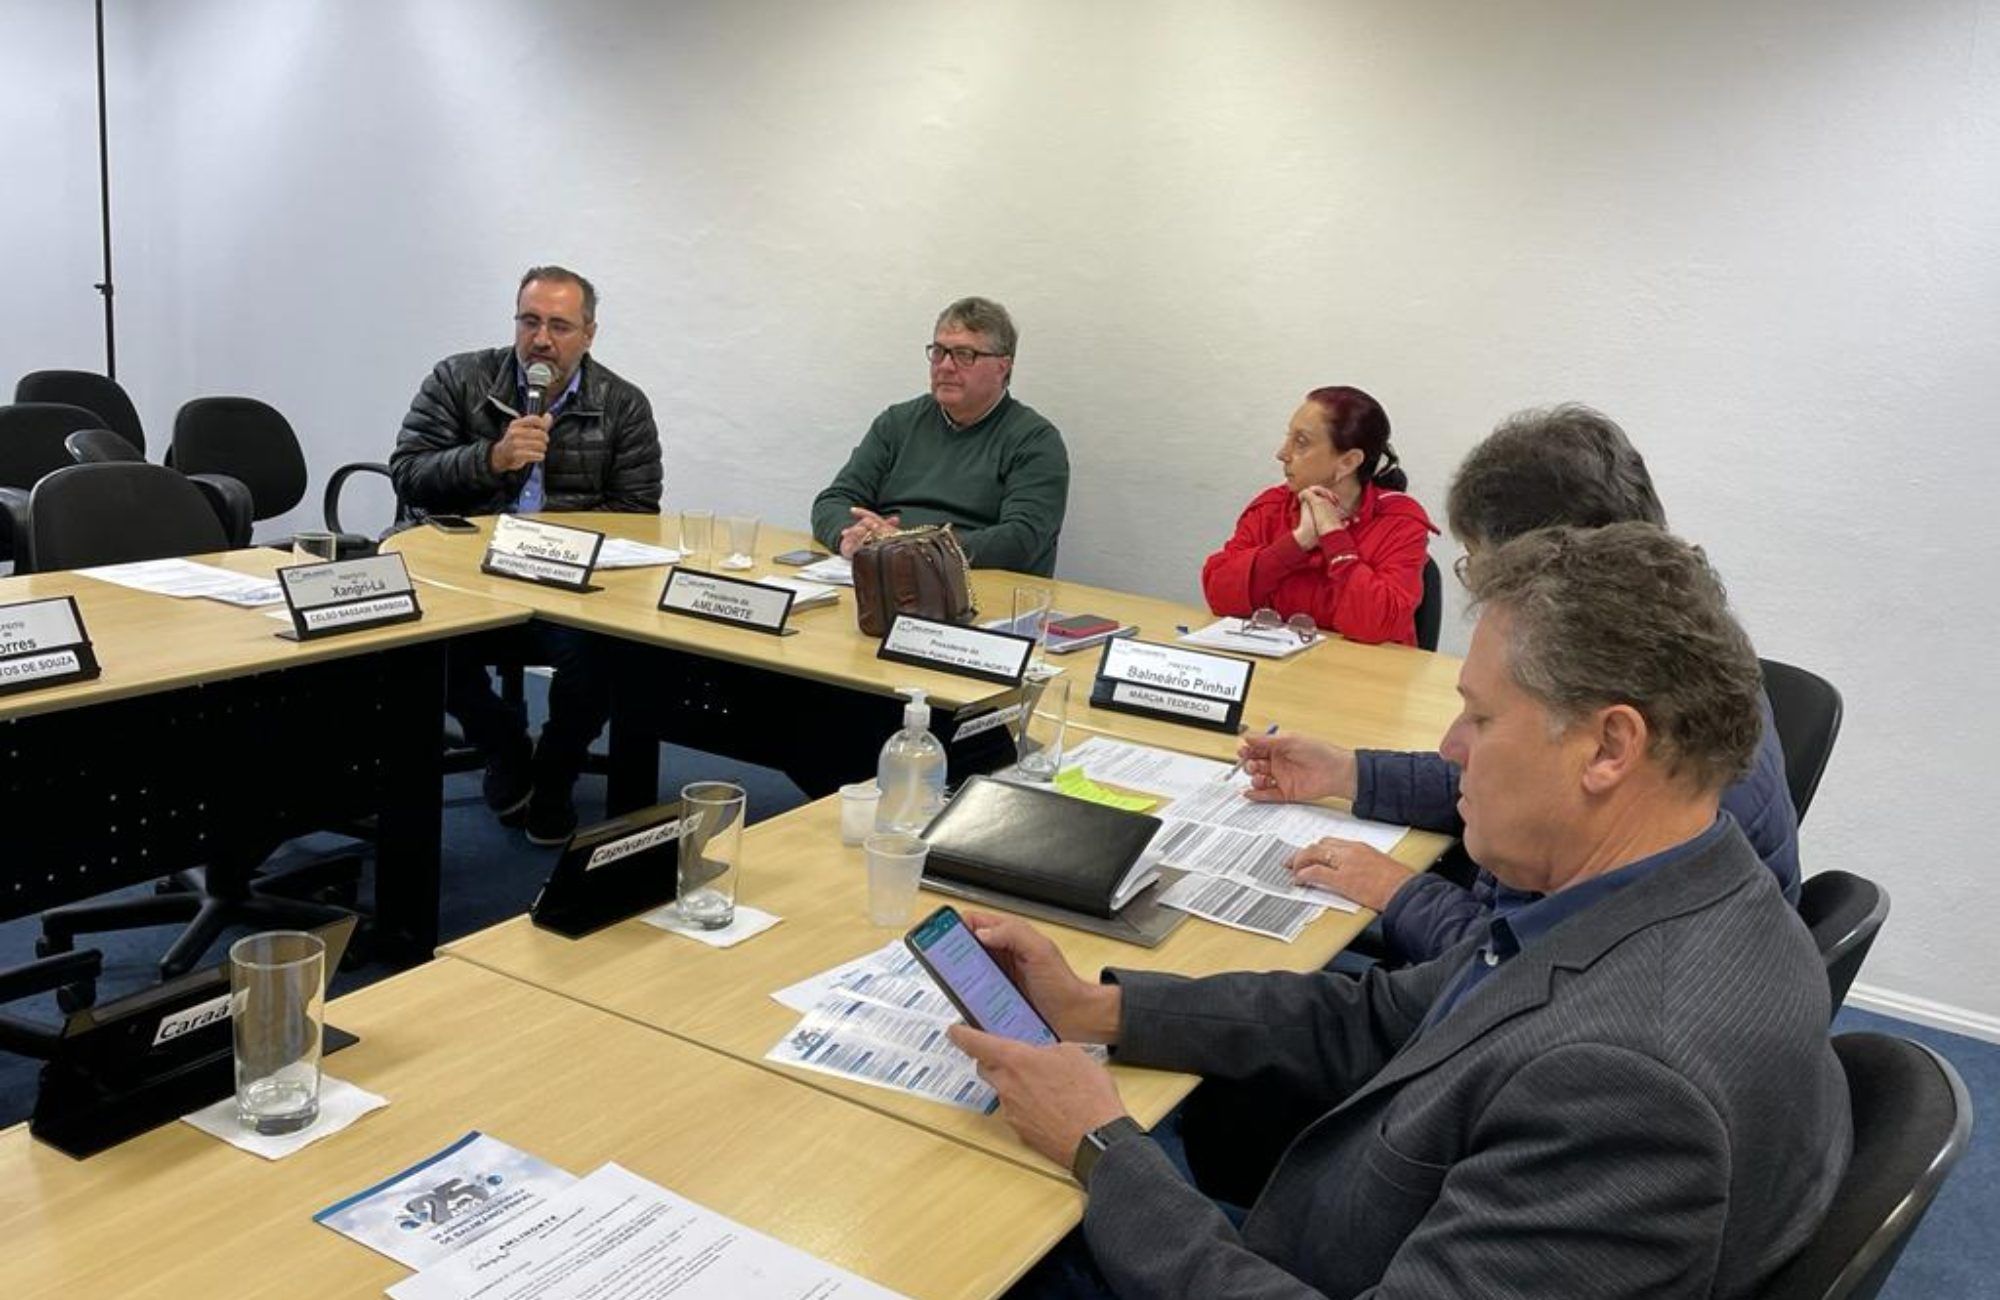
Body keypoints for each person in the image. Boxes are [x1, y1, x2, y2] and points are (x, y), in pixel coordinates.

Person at [953, 524, 1850, 1298]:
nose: (1451, 750)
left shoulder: (1625, 1084)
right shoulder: (1681, 886)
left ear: (1610, 747)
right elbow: (1387, 1014)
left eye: (1479, 719)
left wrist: (1103, 1149)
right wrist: (1100, 1008)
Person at [1270, 405, 1799, 964]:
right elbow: (1498, 774)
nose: (1481, 596)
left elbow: (1521, 967)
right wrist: (1349, 772)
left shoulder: (1653, 773)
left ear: (1550, 571)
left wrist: (1400, 890)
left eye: (1480, 565)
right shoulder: (1668, 649)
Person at [390, 265, 662, 843]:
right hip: (463, 571)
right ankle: (501, 743)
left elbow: (638, 513)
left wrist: (556, 547)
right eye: (529, 321)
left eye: (559, 326)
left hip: (562, 578)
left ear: (589, 334)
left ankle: (558, 767)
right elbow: (408, 473)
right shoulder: (457, 379)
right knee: (417, 643)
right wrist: (490, 458)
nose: (541, 339)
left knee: (607, 651)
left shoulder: (623, 405)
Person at [810, 297, 1069, 577]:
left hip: (972, 582)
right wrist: (851, 537)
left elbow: (1022, 539)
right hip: (883, 574)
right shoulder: (898, 422)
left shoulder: (1035, 440)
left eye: (964, 355)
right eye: (939, 352)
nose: (945, 366)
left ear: (1002, 367)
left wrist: (917, 549)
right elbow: (834, 500)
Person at [1200, 386, 1436, 645]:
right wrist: (1297, 542)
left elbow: (1375, 625)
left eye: (1301, 442)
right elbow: (1219, 596)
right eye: (1288, 438)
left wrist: (1333, 536)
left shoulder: (1401, 522)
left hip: (1363, 669)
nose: (1282, 454)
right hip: (1279, 666)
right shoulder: (1271, 508)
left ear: (1348, 462)